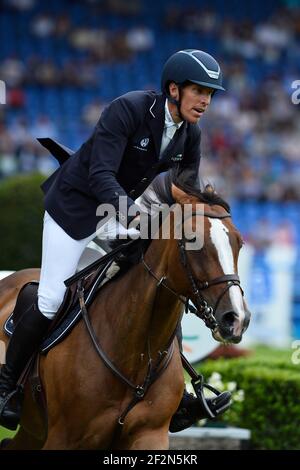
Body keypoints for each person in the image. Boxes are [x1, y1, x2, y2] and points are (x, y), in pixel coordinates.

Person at [0, 49, 230, 431]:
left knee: (157, 281)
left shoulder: (190, 134)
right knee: (52, 297)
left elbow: (186, 190)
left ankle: (179, 393)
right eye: (199, 91)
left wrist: (201, 215)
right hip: (74, 209)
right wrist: (137, 216)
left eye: (211, 94)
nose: (206, 101)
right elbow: (100, 174)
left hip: (118, 214)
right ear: (173, 89)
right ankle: (7, 385)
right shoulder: (129, 109)